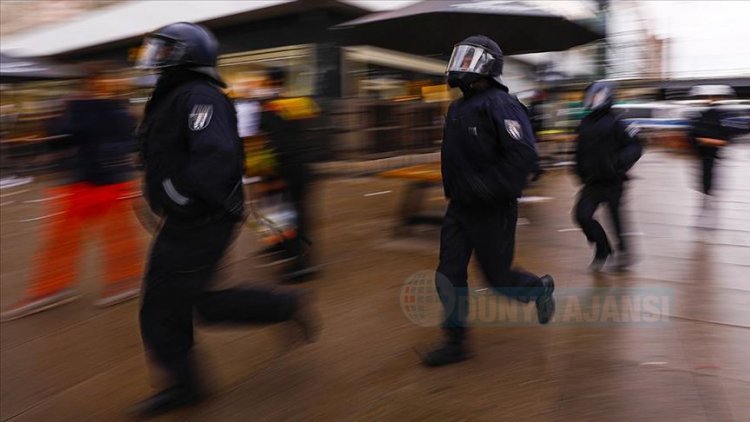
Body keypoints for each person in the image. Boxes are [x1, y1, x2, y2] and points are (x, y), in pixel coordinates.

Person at [132, 22, 318, 416]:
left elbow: (214, 161)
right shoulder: (174, 95)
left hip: (201, 219)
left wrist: (176, 198)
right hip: (192, 218)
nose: (156, 57)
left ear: (187, 54)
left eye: (165, 51)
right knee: (192, 302)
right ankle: (281, 307)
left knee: (164, 306)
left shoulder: (200, 96)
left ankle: (185, 386)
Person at [423, 35, 556, 367]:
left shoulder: (501, 104)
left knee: (498, 280)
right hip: (460, 208)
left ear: (487, 65)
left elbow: (523, 155)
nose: (460, 65)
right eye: (460, 57)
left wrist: (487, 187)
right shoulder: (457, 108)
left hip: (492, 208)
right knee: (448, 275)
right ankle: (456, 342)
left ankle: (538, 290)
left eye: (469, 58)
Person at [1, 64, 143, 321]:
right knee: (68, 238)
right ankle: (54, 286)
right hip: (88, 180)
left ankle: (121, 280)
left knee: (112, 236)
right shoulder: (109, 108)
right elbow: (62, 135)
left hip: (104, 181)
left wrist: (68, 114)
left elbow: (61, 133)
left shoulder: (96, 108)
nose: (103, 84)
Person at [259, 67, 321, 282]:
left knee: (294, 216)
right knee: (289, 214)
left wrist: (276, 173)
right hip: (296, 167)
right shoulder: (293, 104)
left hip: (289, 169)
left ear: (271, 82)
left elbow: (278, 143)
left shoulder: (272, 108)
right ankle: (287, 250)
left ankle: (302, 265)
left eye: (264, 81)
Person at [573, 81, 642, 272]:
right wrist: (578, 169)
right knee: (582, 216)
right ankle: (603, 249)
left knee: (615, 219)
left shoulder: (617, 122)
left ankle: (624, 253)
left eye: (594, 96)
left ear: (604, 96)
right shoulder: (585, 123)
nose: (589, 99)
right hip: (592, 183)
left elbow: (635, 147)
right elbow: (579, 150)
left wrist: (617, 163)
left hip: (613, 182)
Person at [687, 85, 735, 228]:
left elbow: (724, 140)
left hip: (709, 158)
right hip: (706, 158)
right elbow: (693, 135)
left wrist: (703, 141)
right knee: (707, 188)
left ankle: (707, 214)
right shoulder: (705, 116)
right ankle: (707, 213)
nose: (708, 100)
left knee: (708, 188)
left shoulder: (714, 116)